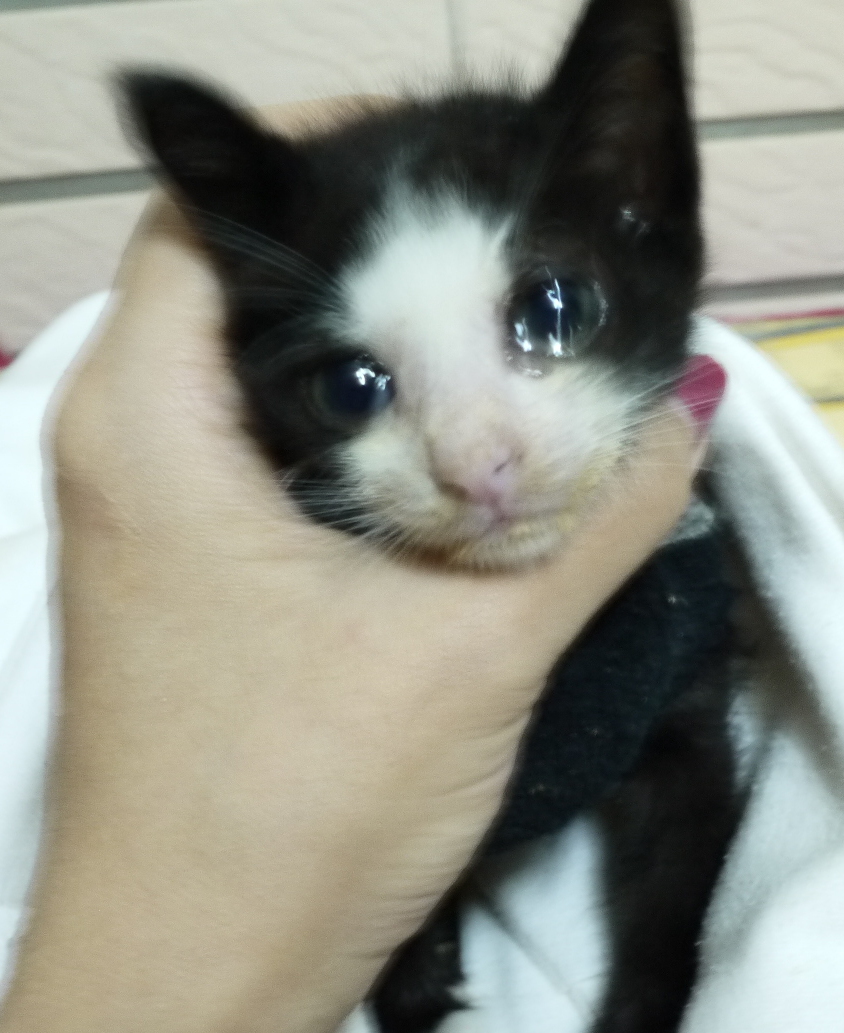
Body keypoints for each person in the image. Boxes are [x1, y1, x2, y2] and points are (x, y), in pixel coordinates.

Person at [0, 99, 718, 1033]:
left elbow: (687, 761)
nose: (474, 462)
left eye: (551, 317)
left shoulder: (682, 556)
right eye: (355, 388)